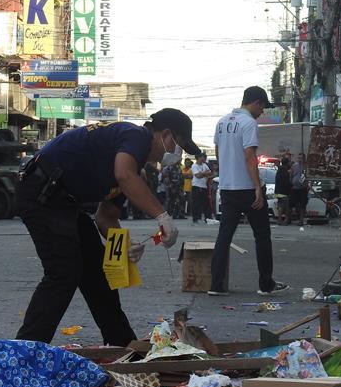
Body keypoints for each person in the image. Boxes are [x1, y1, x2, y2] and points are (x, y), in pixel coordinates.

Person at [14, 109, 201, 346]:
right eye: (178, 145)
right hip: (41, 192)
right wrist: (162, 215)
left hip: (65, 202)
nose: (177, 154)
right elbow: (124, 175)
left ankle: (121, 344)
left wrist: (126, 245)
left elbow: (105, 217)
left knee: (96, 272)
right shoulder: (137, 136)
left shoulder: (133, 165)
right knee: (64, 271)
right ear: (164, 135)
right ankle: (26, 349)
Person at [208, 86, 289, 296]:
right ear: (256, 102)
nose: (261, 113)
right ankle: (266, 284)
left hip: (227, 188)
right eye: (262, 108)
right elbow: (249, 156)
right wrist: (257, 188)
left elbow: (218, 151)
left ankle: (216, 285)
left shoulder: (221, 122)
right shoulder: (248, 123)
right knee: (262, 236)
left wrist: (227, 175)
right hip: (248, 189)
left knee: (224, 237)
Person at [191, 153, 213, 223]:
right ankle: (196, 218)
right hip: (196, 186)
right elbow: (197, 176)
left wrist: (202, 174)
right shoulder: (194, 166)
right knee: (196, 203)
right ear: (199, 157)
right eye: (203, 157)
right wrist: (205, 173)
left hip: (204, 186)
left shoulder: (204, 165)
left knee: (206, 203)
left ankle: (208, 218)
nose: (204, 159)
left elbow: (210, 173)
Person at [289, 153, 309, 226]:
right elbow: (291, 175)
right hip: (294, 188)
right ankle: (288, 219)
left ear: (304, 159)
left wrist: (307, 185)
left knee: (302, 205)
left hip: (303, 188)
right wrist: (291, 182)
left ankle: (301, 220)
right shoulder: (294, 166)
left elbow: (308, 176)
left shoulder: (306, 167)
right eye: (299, 158)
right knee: (291, 204)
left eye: (301, 158)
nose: (300, 159)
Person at [275, 157, 292, 224]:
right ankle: (285, 220)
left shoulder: (279, 170)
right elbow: (286, 182)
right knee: (286, 206)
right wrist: (290, 186)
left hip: (278, 191)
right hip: (284, 191)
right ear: (287, 163)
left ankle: (279, 220)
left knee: (280, 205)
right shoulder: (285, 171)